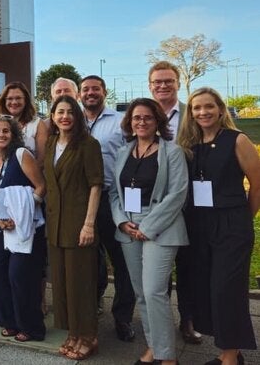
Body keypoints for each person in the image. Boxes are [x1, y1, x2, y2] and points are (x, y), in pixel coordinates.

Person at [178, 87, 260, 365]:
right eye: (197, 108)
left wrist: (242, 219)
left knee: (227, 291)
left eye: (208, 106)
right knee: (208, 290)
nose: (203, 112)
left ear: (221, 109)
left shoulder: (237, 141)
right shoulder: (190, 145)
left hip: (231, 225)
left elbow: (257, 184)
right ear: (190, 113)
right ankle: (230, 351)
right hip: (198, 225)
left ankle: (228, 358)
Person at [108, 98, 187, 365]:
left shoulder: (172, 152)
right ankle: (155, 347)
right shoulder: (122, 152)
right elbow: (114, 193)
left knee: (154, 291)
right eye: (136, 118)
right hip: (128, 226)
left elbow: (177, 194)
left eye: (147, 118)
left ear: (158, 122)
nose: (141, 122)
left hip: (161, 227)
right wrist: (121, 221)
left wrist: (148, 227)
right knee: (141, 292)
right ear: (129, 122)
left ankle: (167, 357)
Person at [43, 95, 103, 360]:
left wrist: (89, 224)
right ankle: (72, 331)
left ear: (77, 116)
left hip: (79, 223)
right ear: (53, 117)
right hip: (55, 225)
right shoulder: (52, 143)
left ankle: (88, 335)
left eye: (70, 112)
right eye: (60, 112)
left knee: (80, 283)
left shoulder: (88, 144)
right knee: (62, 283)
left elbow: (95, 185)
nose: (65, 116)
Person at [0, 115, 47, 341]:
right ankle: (8, 321)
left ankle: (30, 326)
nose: (1, 135)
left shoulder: (21, 155)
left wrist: (21, 214)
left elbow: (41, 187)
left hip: (25, 226)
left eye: (5, 131)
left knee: (19, 275)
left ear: (14, 134)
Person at [148, 60, 200, 344]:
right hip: (152, 204)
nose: (163, 86)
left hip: (187, 200)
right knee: (158, 268)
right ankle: (160, 320)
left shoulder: (191, 115)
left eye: (168, 81)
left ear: (178, 84)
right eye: (157, 82)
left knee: (187, 264)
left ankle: (188, 319)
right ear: (150, 86)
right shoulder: (143, 115)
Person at [80, 75, 136, 341]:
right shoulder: (72, 120)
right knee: (90, 259)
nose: (90, 93)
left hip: (114, 199)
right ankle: (91, 304)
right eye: (86, 89)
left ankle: (123, 317)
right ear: (80, 94)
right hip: (81, 202)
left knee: (122, 260)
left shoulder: (120, 122)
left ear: (104, 92)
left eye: (95, 89)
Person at [0, 81, 47, 166]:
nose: (14, 102)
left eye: (18, 98)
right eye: (10, 99)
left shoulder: (37, 124)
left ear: (26, 100)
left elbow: (42, 159)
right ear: (4, 101)